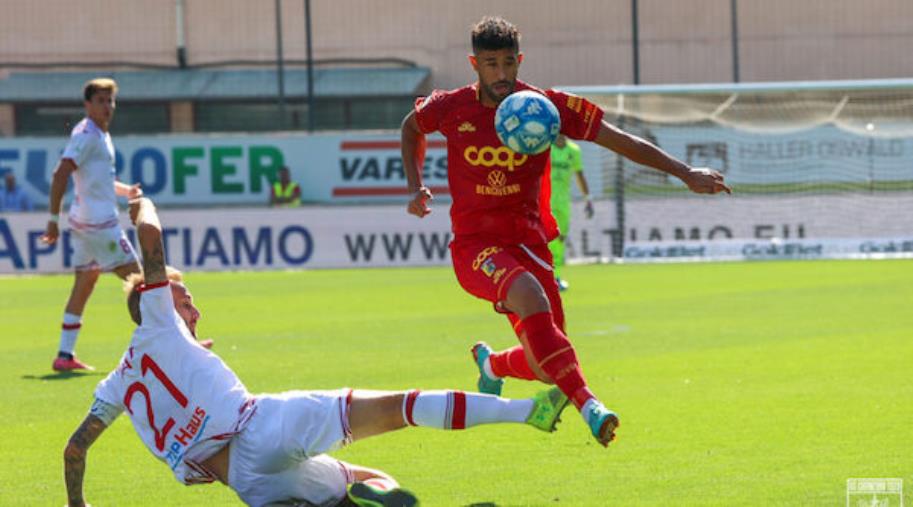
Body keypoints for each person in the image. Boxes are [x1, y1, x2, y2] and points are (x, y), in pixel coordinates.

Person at [62, 196, 571, 507]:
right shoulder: (159, 321)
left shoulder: (119, 381)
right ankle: (527, 411)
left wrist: (77, 504)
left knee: (364, 482)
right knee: (399, 408)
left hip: (245, 484)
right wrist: (143, 205)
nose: (193, 308)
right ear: (156, 303)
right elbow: (150, 239)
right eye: (185, 299)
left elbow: (75, 449)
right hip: (262, 426)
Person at [400, 16, 730, 447]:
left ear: (519, 60)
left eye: (507, 63)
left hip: (530, 244)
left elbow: (616, 138)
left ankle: (493, 365)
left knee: (545, 364)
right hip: (475, 248)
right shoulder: (451, 107)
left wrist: (684, 172)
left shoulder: (546, 108)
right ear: (474, 64)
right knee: (530, 296)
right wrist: (414, 185)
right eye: (491, 64)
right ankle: (590, 405)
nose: (501, 74)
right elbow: (411, 127)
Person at [40, 78, 144, 372]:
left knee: (84, 284)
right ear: (87, 105)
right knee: (143, 282)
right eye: (100, 100)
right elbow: (60, 174)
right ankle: (173, 346)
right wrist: (52, 220)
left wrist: (126, 191)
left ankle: (64, 355)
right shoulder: (87, 135)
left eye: (110, 100)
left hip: (84, 222)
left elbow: (98, 180)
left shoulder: (98, 134)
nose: (107, 106)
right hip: (99, 225)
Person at [548, 134, 593, 291]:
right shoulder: (546, 148)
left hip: (563, 203)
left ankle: (555, 277)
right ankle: (545, 276)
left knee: (560, 239)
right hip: (545, 201)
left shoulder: (574, 150)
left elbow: (579, 174)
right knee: (545, 238)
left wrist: (588, 198)